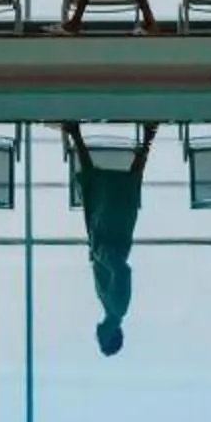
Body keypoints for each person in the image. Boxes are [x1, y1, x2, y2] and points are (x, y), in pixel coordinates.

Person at [61, 120, 158, 356]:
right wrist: (102, 255)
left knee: (98, 187)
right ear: (111, 336)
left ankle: (77, 135)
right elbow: (122, 271)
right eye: (101, 339)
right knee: (121, 186)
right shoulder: (118, 307)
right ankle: (147, 137)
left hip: (104, 237)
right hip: (111, 236)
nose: (97, 335)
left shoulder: (110, 307)